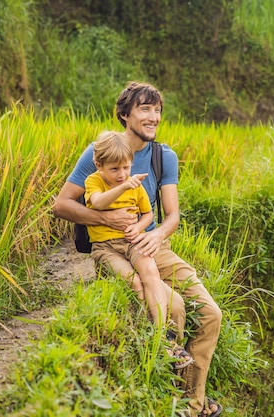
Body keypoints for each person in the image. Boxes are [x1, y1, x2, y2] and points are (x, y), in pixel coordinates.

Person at [52, 81, 223, 417]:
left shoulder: (164, 157)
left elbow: (171, 215)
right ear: (124, 114)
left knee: (211, 314)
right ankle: (180, 400)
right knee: (173, 306)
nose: (154, 116)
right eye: (145, 108)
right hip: (112, 248)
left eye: (157, 109)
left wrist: (157, 235)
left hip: (152, 245)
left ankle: (192, 403)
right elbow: (61, 205)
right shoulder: (99, 152)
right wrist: (108, 218)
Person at [84, 130, 193, 370]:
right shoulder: (95, 181)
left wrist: (139, 227)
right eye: (114, 169)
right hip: (105, 247)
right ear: (99, 165)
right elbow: (99, 202)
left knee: (150, 271)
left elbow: (148, 214)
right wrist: (124, 187)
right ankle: (151, 333)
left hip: (133, 241)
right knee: (133, 282)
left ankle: (163, 335)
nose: (122, 175)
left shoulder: (134, 184)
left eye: (126, 168)